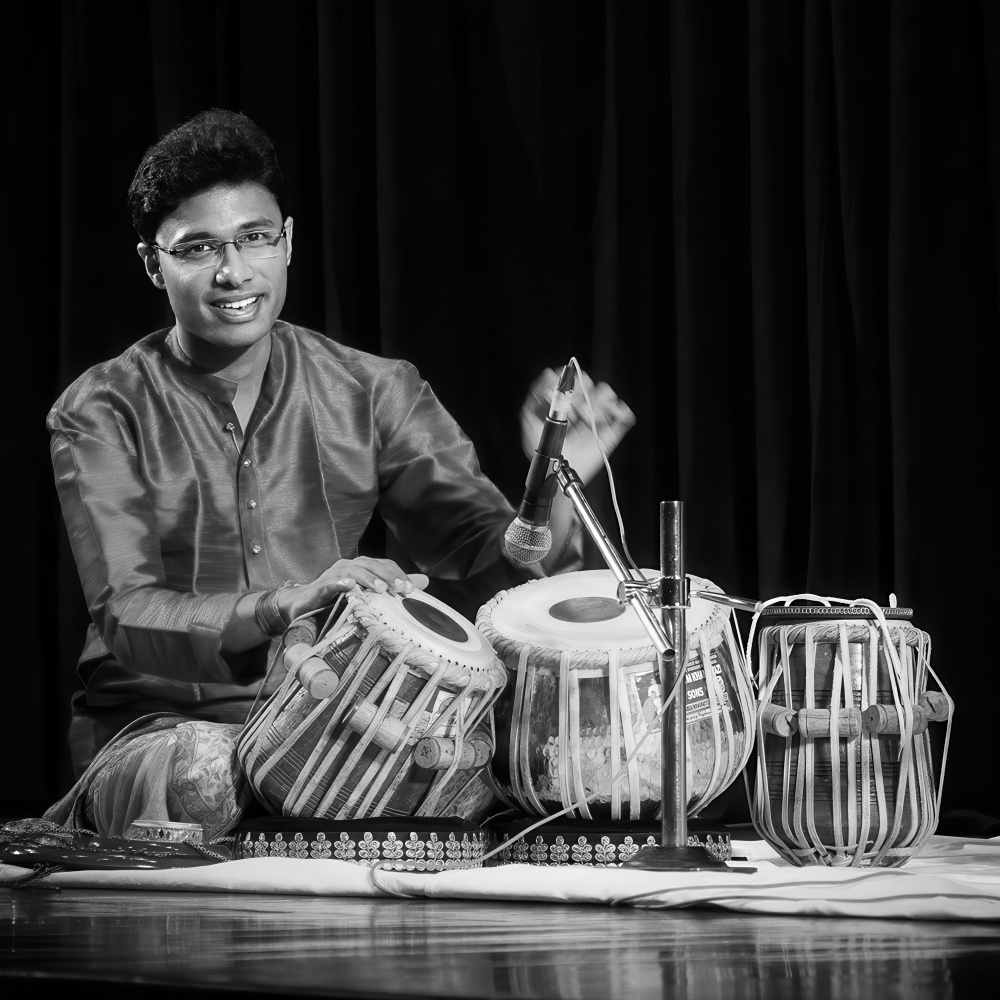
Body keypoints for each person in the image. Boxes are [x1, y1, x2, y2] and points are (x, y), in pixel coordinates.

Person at [47, 109, 635, 792]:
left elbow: (494, 571)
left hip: (340, 724)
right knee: (203, 782)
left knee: (541, 775)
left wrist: (551, 481)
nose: (234, 272)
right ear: (154, 264)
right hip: (157, 731)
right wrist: (284, 605)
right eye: (198, 248)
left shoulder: (374, 390)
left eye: (255, 238)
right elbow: (128, 613)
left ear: (288, 242)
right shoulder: (102, 408)